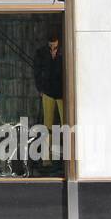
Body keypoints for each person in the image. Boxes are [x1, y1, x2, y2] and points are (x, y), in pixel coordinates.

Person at [33, 33, 65, 172]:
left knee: (66, 124)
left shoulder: (64, 52)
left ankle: (67, 158)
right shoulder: (41, 53)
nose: (53, 47)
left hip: (63, 91)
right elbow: (37, 71)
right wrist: (40, 88)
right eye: (51, 44)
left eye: (55, 44)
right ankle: (46, 158)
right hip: (47, 90)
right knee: (47, 125)